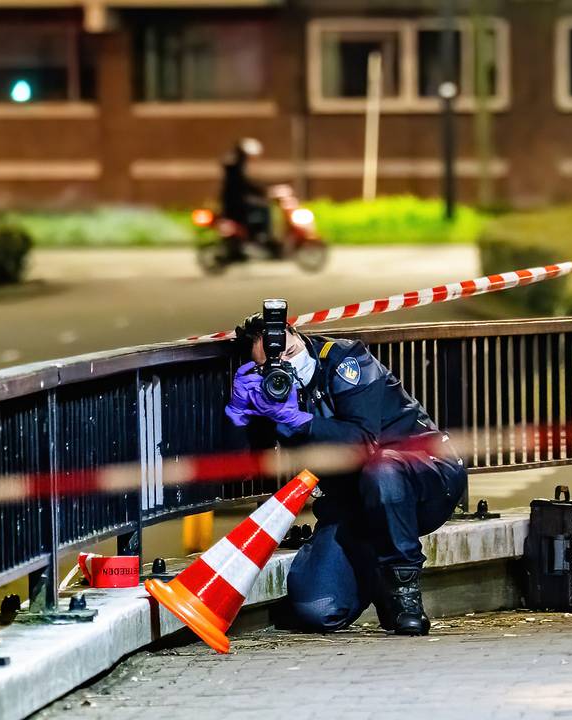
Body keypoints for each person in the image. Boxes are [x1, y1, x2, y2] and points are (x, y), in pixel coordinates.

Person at [225, 313, 467, 634]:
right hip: (356, 503)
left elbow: (362, 444)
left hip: (427, 479)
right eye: (274, 364)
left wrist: (299, 420)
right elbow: (240, 471)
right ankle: (379, 581)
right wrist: (240, 413)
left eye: (290, 353)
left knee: (382, 468)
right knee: (317, 610)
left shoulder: (345, 360)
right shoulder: (272, 394)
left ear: (297, 335)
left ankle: (407, 598)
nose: (286, 365)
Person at [220, 138, 272, 254]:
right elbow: (242, 184)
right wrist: (260, 191)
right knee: (264, 208)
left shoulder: (234, 163)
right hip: (236, 203)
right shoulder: (236, 165)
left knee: (260, 207)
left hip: (233, 201)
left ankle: (255, 235)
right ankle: (264, 236)